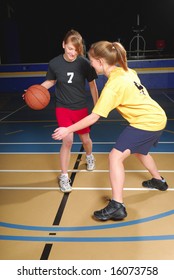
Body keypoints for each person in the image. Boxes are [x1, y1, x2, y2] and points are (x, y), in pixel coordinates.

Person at [52, 40, 168, 221]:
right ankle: (159, 181)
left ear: (100, 61)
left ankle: (117, 205)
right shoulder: (126, 70)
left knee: (115, 157)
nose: (90, 64)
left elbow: (94, 117)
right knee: (139, 152)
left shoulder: (113, 86)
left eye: (91, 60)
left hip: (145, 122)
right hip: (158, 117)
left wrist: (67, 129)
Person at [24, 29, 99, 193]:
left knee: (86, 140)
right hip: (63, 107)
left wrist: (97, 106)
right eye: (70, 48)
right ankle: (64, 176)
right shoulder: (54, 63)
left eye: (77, 50)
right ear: (63, 45)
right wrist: (33, 91)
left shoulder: (84, 63)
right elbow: (50, 81)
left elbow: (92, 85)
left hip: (80, 108)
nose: (73, 53)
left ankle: (89, 156)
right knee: (68, 141)